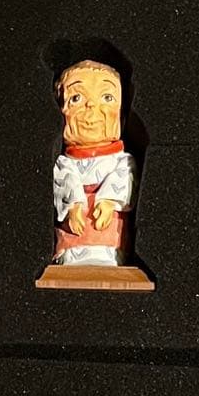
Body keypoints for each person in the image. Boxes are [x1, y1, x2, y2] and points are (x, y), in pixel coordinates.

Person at [52, 60, 136, 267]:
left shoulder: (121, 161)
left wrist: (108, 200)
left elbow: (126, 176)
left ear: (122, 115)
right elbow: (63, 179)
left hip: (110, 238)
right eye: (76, 98)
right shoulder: (65, 163)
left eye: (107, 97)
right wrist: (73, 204)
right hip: (73, 237)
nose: (91, 106)